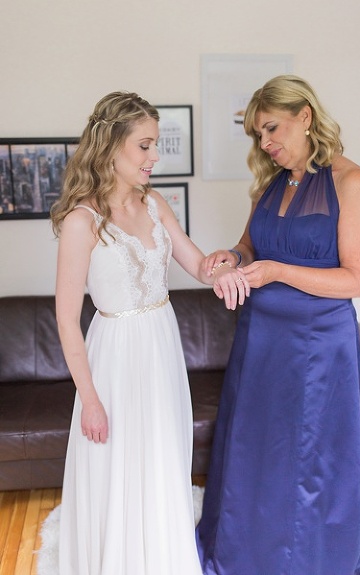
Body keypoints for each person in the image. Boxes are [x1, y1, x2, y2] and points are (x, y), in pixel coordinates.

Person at [50, 91, 249, 575]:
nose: (155, 157)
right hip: (114, 355)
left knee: (161, 458)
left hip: (162, 344)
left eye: (155, 145)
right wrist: (90, 398)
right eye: (144, 145)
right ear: (112, 145)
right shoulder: (83, 220)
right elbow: (65, 318)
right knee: (116, 467)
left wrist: (228, 264)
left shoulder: (155, 202)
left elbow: (197, 264)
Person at [195, 74, 360, 574]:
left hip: (317, 345)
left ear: (305, 116)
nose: (266, 143)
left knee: (312, 462)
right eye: (259, 134)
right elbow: (251, 248)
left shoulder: (351, 182)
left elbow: (358, 280)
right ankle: (247, 553)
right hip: (259, 340)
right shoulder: (271, 184)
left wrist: (279, 272)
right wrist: (229, 256)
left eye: (272, 128)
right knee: (255, 453)